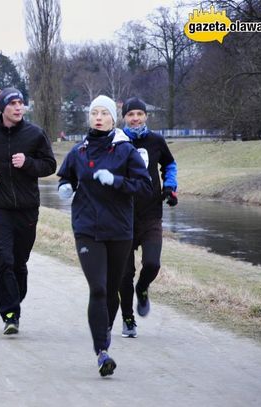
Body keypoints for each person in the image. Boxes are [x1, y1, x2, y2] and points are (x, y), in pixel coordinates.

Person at [57, 95, 152, 377]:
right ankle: (102, 352)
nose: (98, 117)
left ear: (113, 118)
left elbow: (144, 188)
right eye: (94, 113)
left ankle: (104, 332)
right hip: (87, 229)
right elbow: (66, 177)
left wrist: (117, 181)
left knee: (111, 291)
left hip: (120, 230)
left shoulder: (126, 151)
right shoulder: (78, 152)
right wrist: (64, 188)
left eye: (104, 113)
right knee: (97, 288)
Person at [0, 87, 56, 335]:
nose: (18, 108)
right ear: (2, 108)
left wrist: (28, 163)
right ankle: (9, 313)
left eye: (21, 103)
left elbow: (50, 165)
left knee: (19, 262)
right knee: (2, 257)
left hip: (28, 208)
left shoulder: (35, 134)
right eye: (13, 103)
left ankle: (15, 296)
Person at [117, 97, 178, 339]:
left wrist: (170, 187)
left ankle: (142, 289)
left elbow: (169, 164)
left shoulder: (156, 141)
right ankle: (128, 320)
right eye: (130, 114)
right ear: (124, 117)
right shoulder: (116, 142)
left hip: (151, 213)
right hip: (122, 216)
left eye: (139, 114)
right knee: (124, 274)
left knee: (152, 264)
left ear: (145, 116)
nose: (135, 118)